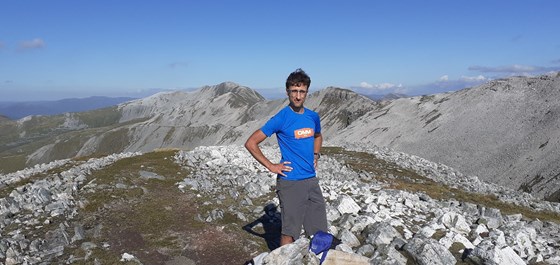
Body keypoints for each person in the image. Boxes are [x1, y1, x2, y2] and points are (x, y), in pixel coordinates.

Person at [244, 68, 328, 246]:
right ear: (287, 92)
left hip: (311, 180)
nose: (298, 96)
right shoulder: (281, 118)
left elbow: (318, 136)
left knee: (320, 232)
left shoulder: (313, 117)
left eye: (302, 91)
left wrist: (316, 154)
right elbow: (251, 143)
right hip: (290, 182)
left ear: (307, 92)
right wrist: (271, 166)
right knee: (290, 233)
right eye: (294, 91)